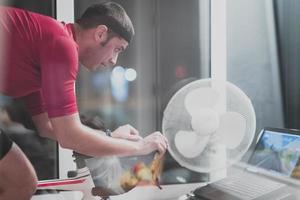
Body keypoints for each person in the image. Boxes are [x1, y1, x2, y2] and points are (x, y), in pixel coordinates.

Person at [0, 2, 168, 200]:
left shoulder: (45, 44)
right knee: (21, 182)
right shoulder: (63, 45)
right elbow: (69, 135)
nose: (114, 61)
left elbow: (46, 125)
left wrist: (109, 136)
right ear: (100, 34)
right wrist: (141, 147)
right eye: (118, 49)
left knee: (20, 181)